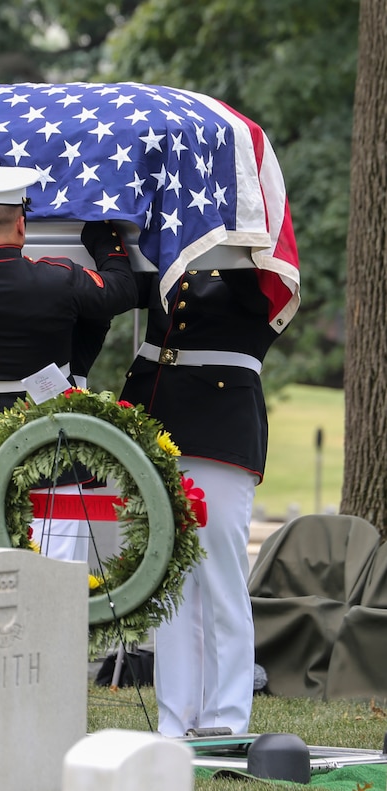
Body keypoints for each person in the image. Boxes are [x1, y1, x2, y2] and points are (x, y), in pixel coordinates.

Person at [0, 165, 148, 559]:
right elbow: (121, 289)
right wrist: (102, 238)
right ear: (22, 225)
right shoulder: (57, 279)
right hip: (50, 431)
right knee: (56, 570)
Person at [118, 266, 289, 736]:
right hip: (160, 420)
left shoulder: (260, 268)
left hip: (220, 425)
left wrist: (221, 234)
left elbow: (260, 300)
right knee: (170, 581)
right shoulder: (172, 258)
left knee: (219, 578)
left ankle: (226, 719)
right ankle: (176, 718)